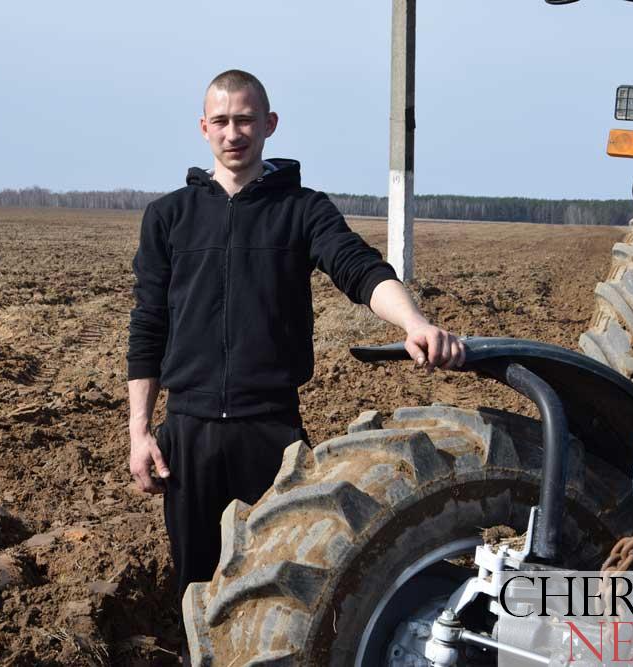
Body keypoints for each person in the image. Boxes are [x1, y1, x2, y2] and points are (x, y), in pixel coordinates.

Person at [126, 68, 465, 631]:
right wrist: (140, 432)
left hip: (272, 432)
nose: (234, 133)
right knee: (196, 589)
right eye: (222, 121)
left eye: (246, 120)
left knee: (284, 586)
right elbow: (148, 326)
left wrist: (414, 322)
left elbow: (360, 269)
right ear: (203, 127)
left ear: (269, 125)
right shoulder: (169, 217)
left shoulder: (302, 209)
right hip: (188, 433)